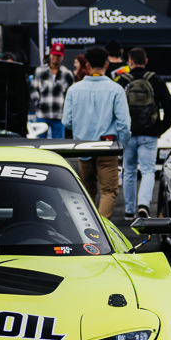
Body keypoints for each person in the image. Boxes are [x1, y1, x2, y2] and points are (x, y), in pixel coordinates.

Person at [62, 45, 131, 218]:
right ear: (106, 64)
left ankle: (87, 226)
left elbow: (67, 122)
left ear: (87, 65)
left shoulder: (74, 89)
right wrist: (122, 145)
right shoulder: (116, 89)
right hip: (107, 146)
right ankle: (101, 228)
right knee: (108, 191)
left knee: (86, 193)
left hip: (82, 146)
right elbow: (124, 123)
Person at [115, 47, 171, 219]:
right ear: (146, 61)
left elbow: (115, 108)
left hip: (128, 133)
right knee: (148, 171)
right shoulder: (156, 80)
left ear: (130, 61)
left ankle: (129, 211)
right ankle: (143, 205)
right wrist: (160, 129)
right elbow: (170, 109)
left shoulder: (122, 81)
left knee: (129, 171)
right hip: (149, 133)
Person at [32, 42, 74, 139]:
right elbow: (34, 89)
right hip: (42, 114)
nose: (56, 58)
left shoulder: (67, 74)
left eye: (58, 56)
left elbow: (70, 94)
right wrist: (38, 103)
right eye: (54, 55)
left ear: (62, 57)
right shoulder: (40, 71)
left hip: (59, 115)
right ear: (50, 55)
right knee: (39, 143)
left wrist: (66, 109)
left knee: (58, 144)